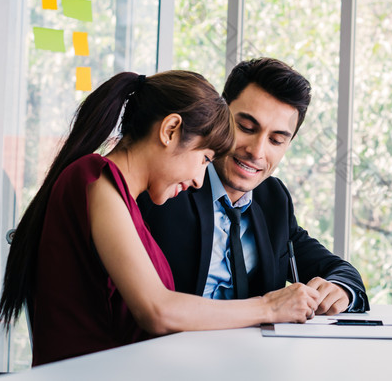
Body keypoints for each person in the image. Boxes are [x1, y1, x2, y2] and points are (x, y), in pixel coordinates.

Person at [0, 70, 322, 366]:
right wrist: (268, 307)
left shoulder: (123, 199)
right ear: (170, 130)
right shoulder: (94, 181)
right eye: (204, 158)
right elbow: (157, 311)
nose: (199, 180)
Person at [138, 58, 369, 315]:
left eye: (276, 140)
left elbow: (339, 270)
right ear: (220, 116)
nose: (256, 152)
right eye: (246, 128)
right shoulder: (169, 184)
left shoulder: (273, 199)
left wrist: (340, 288)